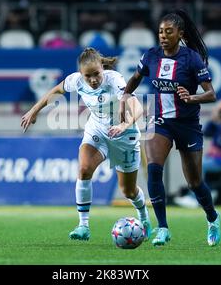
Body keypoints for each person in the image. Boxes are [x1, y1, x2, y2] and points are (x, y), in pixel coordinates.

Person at [21, 47, 152, 241]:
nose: (92, 80)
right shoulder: (76, 81)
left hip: (124, 136)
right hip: (97, 130)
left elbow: (137, 106)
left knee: (128, 191)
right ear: (81, 74)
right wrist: (34, 110)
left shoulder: (114, 80)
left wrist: (125, 125)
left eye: (96, 74)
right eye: (87, 76)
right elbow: (56, 90)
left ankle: (144, 217)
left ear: (102, 68)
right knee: (83, 169)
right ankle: (83, 225)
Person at [120, 9, 220, 247]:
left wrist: (192, 98)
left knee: (195, 182)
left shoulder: (192, 58)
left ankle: (213, 218)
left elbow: (211, 94)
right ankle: (162, 228)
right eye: (160, 32)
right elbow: (136, 77)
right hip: (160, 121)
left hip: (188, 125)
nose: (163, 36)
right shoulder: (151, 55)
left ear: (180, 34)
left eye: (168, 32)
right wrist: (125, 94)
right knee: (154, 170)